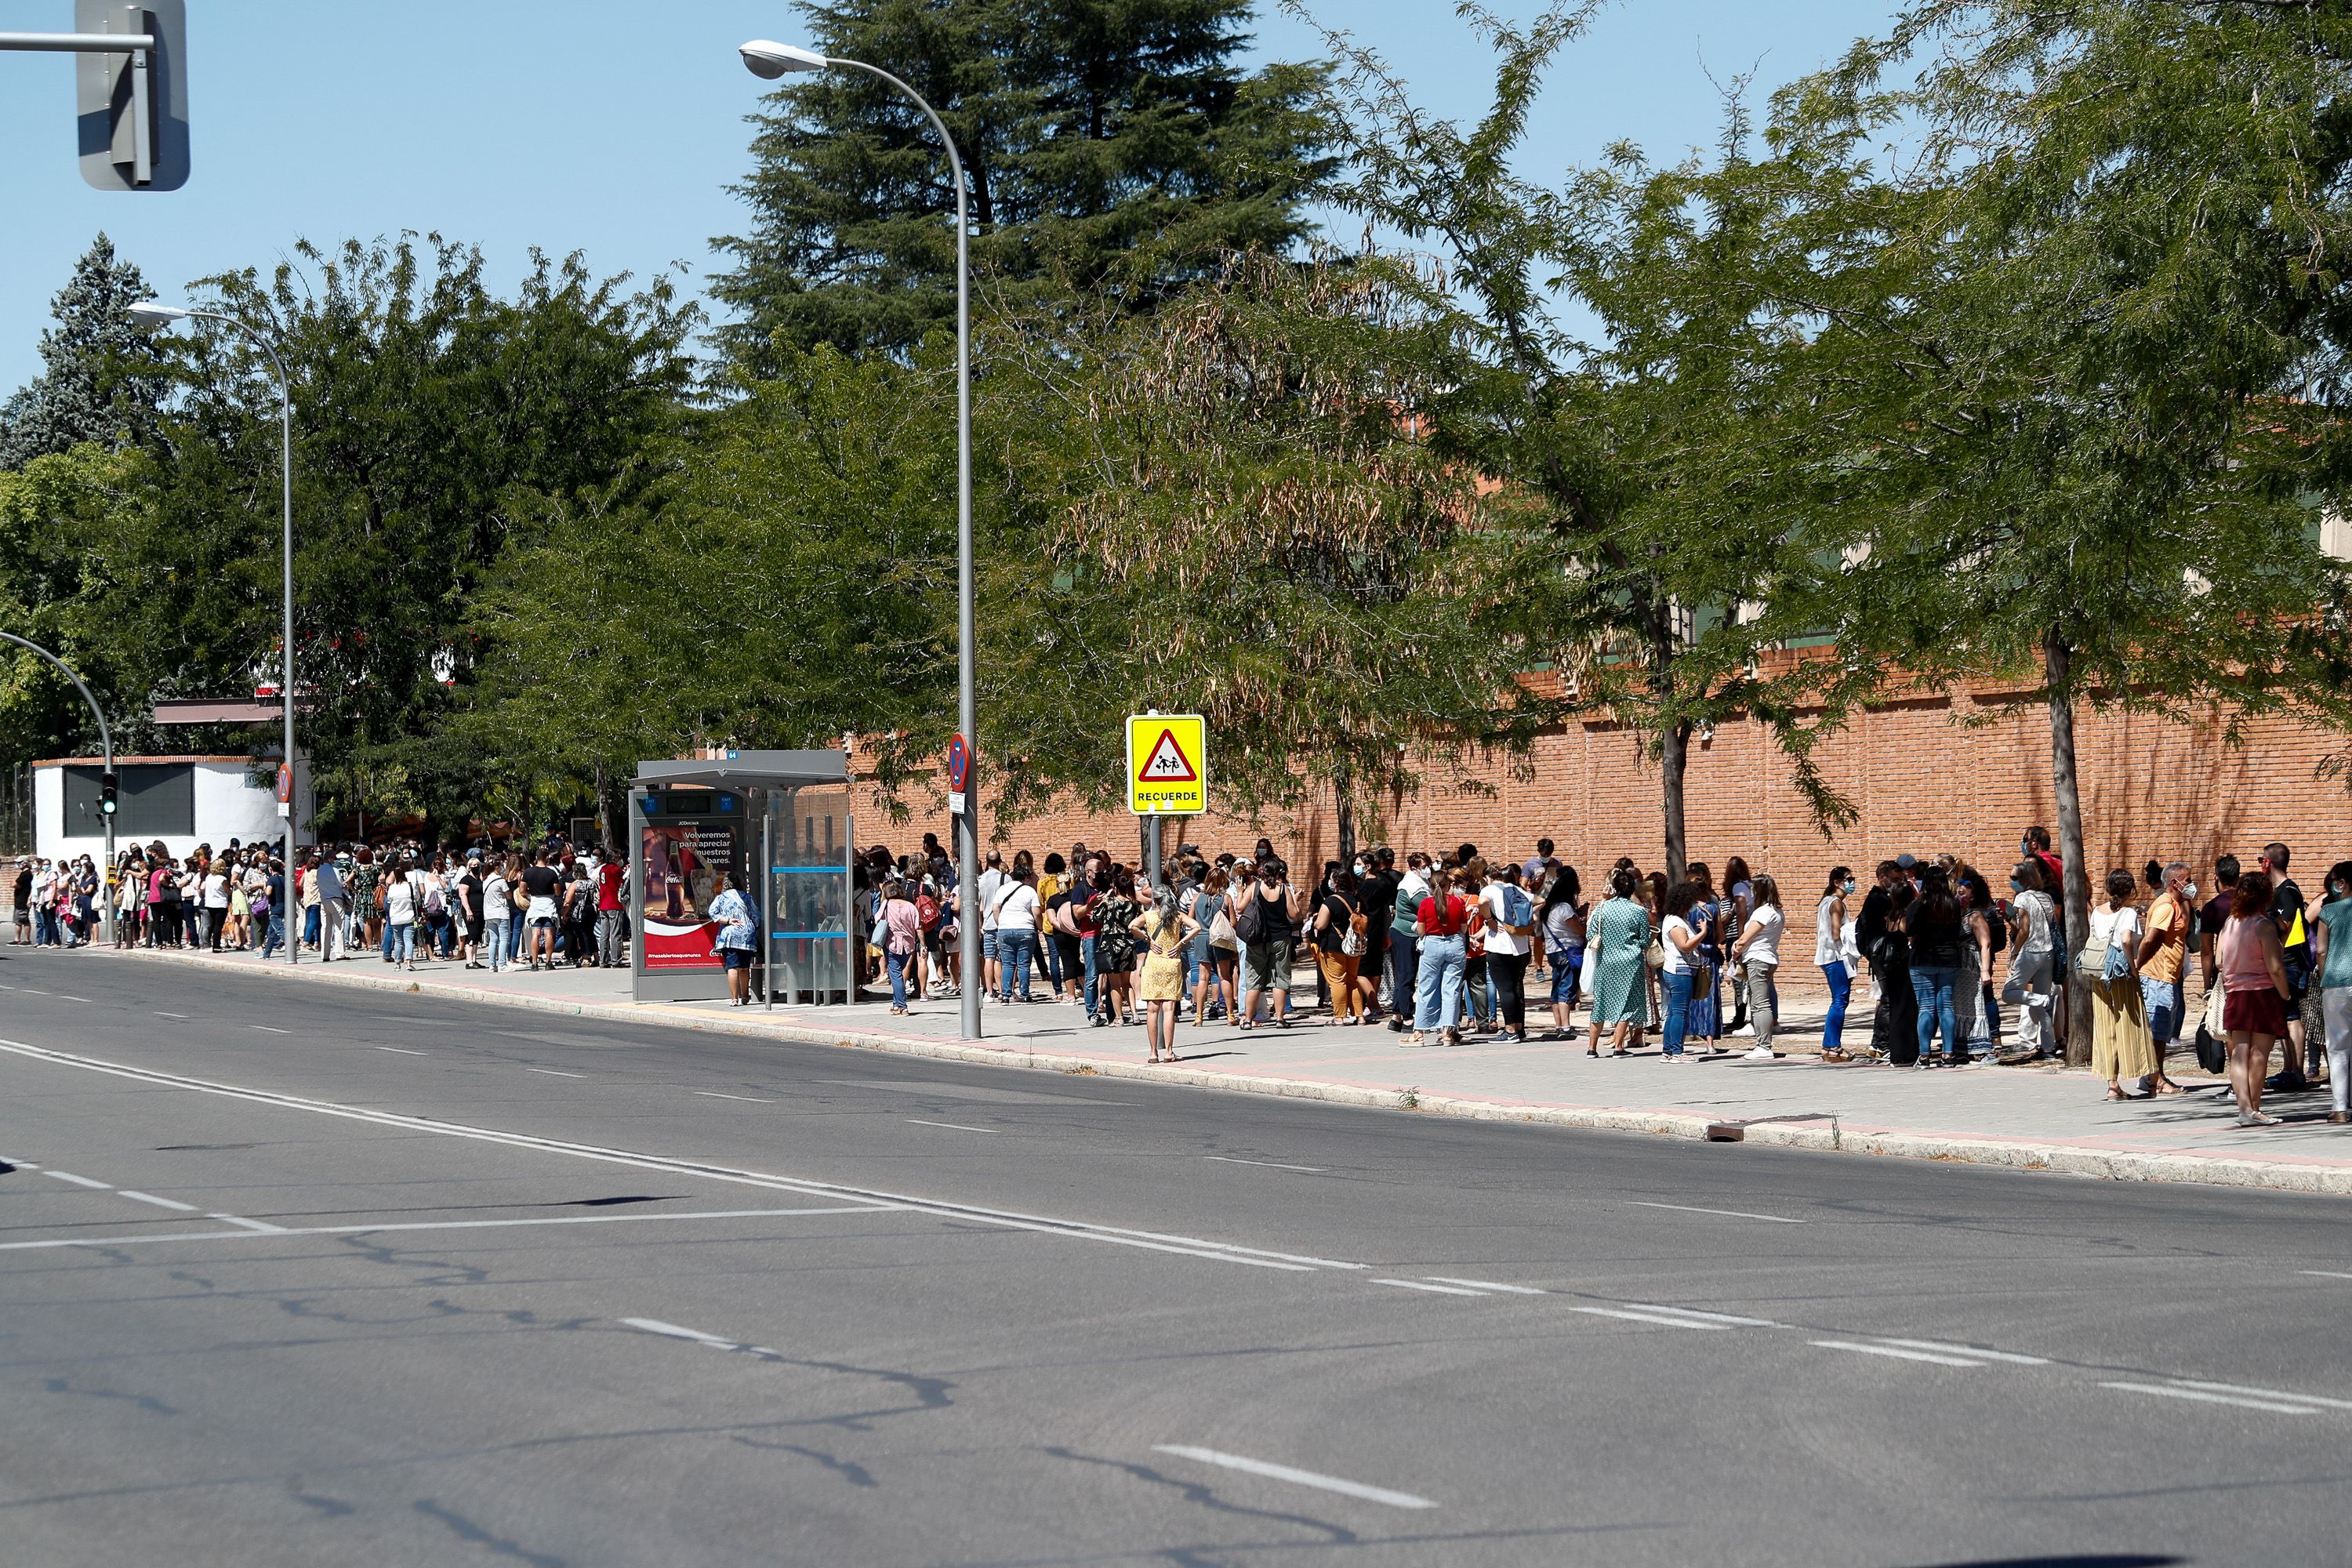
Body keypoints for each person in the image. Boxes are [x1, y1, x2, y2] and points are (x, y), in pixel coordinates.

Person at [2217, 870, 2293, 1126]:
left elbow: (2219, 960)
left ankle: (2244, 1109)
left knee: (2239, 1052)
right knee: (2259, 1053)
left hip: (2235, 993)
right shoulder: (2264, 925)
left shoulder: (2230, 923)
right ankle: (2255, 1108)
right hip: (2262, 993)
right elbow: (2275, 967)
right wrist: (2285, 994)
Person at [2085, 868, 2158, 1101]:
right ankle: (2150, 1078)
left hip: (2099, 974)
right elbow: (2126, 940)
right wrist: (2133, 967)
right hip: (2120, 974)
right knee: (2131, 1024)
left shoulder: (2097, 911)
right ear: (2131, 891)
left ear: (2108, 888)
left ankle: (2112, 1084)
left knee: (2105, 1028)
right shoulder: (2127, 913)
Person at [2136, 861, 2194, 1095]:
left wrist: (2186, 899)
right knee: (2158, 1033)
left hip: (2168, 976)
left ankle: (2154, 1076)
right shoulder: (2165, 907)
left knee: (2161, 1033)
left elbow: (2185, 927)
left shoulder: (2176, 904)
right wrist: (2138, 965)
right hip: (2157, 977)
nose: (2191, 884)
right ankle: (2155, 1080)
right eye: (2188, 881)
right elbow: (2150, 939)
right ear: (2174, 883)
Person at [2259, 842, 2313, 1091]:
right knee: (2284, 1016)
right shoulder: (2277, 891)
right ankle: (2289, 1070)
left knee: (2291, 1017)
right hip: (2281, 962)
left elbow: (2283, 926)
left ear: (2268, 862)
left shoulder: (2288, 891)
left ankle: (2297, 1073)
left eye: (2261, 860)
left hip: (2290, 964)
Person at [1583, 868, 1650, 1058]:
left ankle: (1592, 1048)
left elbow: (1590, 934)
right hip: (1631, 963)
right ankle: (1619, 1047)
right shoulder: (1638, 911)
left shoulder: (1602, 908)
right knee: (1626, 1004)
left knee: (1600, 1004)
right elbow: (1645, 940)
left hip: (1606, 962)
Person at [1903, 867, 1965, 1068]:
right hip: (1949, 958)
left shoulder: (1917, 904)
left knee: (1926, 1007)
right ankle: (1948, 1054)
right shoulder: (1953, 904)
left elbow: (1909, 930)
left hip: (1922, 958)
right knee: (1946, 1006)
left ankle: (1924, 1055)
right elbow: (1957, 930)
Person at [1410, 866, 1476, 1047]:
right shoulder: (1458, 902)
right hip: (1454, 943)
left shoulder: (1426, 903)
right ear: (1449, 885)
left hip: (1432, 944)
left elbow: (1421, 930)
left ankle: (1419, 1032)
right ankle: (1448, 1033)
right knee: (1451, 990)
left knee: (1426, 988)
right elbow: (1464, 929)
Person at [1134, 883, 1200, 1063]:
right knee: (1169, 1009)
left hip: (1153, 963)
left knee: (1152, 1010)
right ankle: (1169, 1052)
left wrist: (1147, 939)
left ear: (1154, 899)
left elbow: (1132, 926)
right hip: (1171, 962)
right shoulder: (1177, 916)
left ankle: (1153, 1053)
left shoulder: (1148, 916)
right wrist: (1180, 944)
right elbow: (1196, 927)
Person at [1236, 858, 1305, 1030]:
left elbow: (1240, 908)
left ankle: (1247, 1020)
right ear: (1278, 872)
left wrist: (1240, 892)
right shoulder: (1284, 890)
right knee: (1280, 978)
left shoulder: (1255, 887)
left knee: (1253, 979)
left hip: (1258, 939)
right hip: (1280, 938)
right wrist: (1296, 900)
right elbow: (1294, 915)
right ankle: (1280, 1019)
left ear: (1262, 872)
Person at [2002, 859, 2059, 1060]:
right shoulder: (2046, 898)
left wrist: (2014, 954)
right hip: (2049, 951)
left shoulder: (2022, 898)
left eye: (2014, 877)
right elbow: (2049, 924)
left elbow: (2024, 930)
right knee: (2040, 1005)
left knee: (2008, 993)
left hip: (2031, 951)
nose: (2011, 881)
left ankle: (2044, 1000)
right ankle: (2049, 1047)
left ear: (2025, 879)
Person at [1727, 873, 1786, 1061]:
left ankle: (1764, 1046)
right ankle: (1762, 1042)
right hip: (1768, 957)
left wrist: (1735, 950)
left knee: (1760, 1003)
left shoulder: (1763, 912)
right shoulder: (1777, 911)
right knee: (1758, 1001)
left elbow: (1745, 939)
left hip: (1758, 958)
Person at [2313, 860, 2352, 1124]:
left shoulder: (2329, 912)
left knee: (2338, 1047)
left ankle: (2340, 1108)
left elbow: (2321, 950)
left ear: (2342, 883)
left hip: (2336, 983)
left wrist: (2325, 974)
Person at [1479, 863, 1536, 1043]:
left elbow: (1482, 902)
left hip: (1499, 945)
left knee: (1505, 989)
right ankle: (1519, 1029)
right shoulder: (1516, 889)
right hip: (1521, 946)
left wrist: (1489, 919)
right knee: (1516, 988)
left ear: (1487, 878)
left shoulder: (1489, 889)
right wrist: (1527, 918)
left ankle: (1510, 1031)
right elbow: (1541, 900)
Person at [1658, 880, 1708, 1060]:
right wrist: (1702, 933)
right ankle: (1677, 1052)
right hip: (1680, 971)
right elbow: (1685, 945)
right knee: (1680, 1012)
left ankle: (1668, 1051)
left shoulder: (1677, 919)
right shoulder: (1675, 922)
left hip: (1679, 970)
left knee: (1674, 1011)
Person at [1311, 869, 1368, 1025]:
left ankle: (1339, 1017)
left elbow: (1321, 925)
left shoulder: (1331, 901)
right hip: (1354, 945)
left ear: (1335, 883)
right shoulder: (1357, 900)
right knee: (1352, 980)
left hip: (1334, 945)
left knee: (1337, 981)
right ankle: (1360, 1016)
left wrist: (1314, 922)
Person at [1539, 866, 1586, 1040]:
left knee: (1557, 988)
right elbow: (1579, 931)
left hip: (1553, 951)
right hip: (1567, 951)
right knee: (1567, 988)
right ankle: (1566, 1027)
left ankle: (1559, 1025)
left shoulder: (1549, 907)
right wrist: (1583, 919)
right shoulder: (1565, 908)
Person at [1387, 852, 1432, 1032]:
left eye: (1428, 866)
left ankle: (1396, 1016)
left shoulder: (1420, 883)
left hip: (1409, 934)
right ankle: (1407, 1017)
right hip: (1405, 934)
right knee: (1406, 975)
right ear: (1414, 868)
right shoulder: (1412, 887)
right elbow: (1430, 908)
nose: (1428, 870)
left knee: (1404, 975)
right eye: (1424, 867)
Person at [1188, 866, 1238, 1025]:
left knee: (1203, 978)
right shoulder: (1226, 898)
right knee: (1225, 976)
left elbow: (1190, 919)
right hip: (1220, 938)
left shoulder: (1197, 897)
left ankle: (1199, 1016)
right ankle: (1230, 1015)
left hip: (1202, 938)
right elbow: (1233, 922)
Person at [1816, 866, 1856, 1061]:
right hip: (1836, 956)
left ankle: (1829, 1045)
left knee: (1838, 1000)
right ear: (1837, 882)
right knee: (1840, 1001)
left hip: (1828, 956)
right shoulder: (1836, 903)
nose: (1852, 883)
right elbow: (1836, 933)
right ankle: (1833, 1046)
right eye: (1848, 880)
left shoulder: (1826, 901)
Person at [1093, 868, 1141, 1027]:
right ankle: (1135, 1014)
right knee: (1127, 982)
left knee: (1114, 984)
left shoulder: (1110, 903)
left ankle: (1119, 1017)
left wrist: (1105, 899)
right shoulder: (1135, 904)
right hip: (1128, 943)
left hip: (1112, 944)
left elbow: (1095, 917)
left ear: (1115, 887)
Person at [708, 870, 759, 1005]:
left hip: (729, 936)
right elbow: (756, 916)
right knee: (744, 967)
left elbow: (712, 912)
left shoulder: (721, 898)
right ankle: (745, 997)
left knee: (732, 967)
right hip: (747, 936)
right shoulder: (747, 898)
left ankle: (734, 998)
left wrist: (727, 920)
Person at [992, 866, 1041, 1004]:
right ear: (1025, 878)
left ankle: (1006, 995)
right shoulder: (1030, 891)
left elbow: (995, 909)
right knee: (1024, 965)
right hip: (1025, 929)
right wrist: (1040, 926)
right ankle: (1025, 994)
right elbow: (1037, 913)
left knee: (1008, 964)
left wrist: (1000, 923)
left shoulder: (1002, 889)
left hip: (1005, 929)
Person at [521, 850, 562, 971]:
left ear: (536, 857)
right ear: (547, 858)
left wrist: (530, 893)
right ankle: (548, 962)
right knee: (549, 933)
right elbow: (558, 892)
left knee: (536, 933)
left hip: (535, 903)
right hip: (548, 903)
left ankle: (534, 963)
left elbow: (522, 890)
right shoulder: (551, 873)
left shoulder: (528, 872)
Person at [383, 857, 420, 971]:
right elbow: (417, 898)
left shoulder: (392, 888)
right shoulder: (410, 886)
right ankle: (408, 962)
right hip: (409, 917)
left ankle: (397, 963)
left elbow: (389, 900)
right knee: (408, 940)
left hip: (395, 918)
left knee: (398, 941)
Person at [482, 855, 514, 975]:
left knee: (493, 940)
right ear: (497, 867)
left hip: (489, 913)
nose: (502, 868)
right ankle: (502, 964)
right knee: (504, 939)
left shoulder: (485, 881)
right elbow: (509, 896)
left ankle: (492, 965)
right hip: (501, 912)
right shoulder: (500, 881)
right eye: (500, 866)